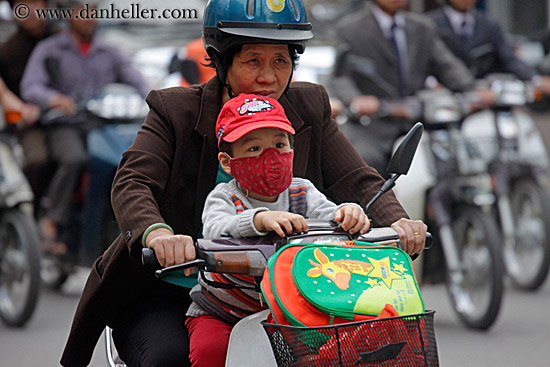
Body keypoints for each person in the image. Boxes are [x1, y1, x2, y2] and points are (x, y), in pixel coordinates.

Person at [60, 0, 427, 366]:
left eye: (281, 61)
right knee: (172, 360)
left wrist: (398, 221)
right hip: (176, 292)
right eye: (253, 61)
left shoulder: (309, 104)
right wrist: (158, 235)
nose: (268, 77)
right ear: (221, 60)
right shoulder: (175, 111)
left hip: (288, 288)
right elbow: (133, 181)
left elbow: (356, 178)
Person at [187, 93, 370, 366]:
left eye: (279, 144)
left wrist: (349, 213)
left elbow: (332, 218)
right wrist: (258, 219)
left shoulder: (302, 190)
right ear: (227, 162)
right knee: (211, 352)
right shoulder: (224, 196)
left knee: (331, 352)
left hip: (294, 308)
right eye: (254, 149)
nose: (271, 156)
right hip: (223, 309)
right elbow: (214, 229)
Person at [20, 0, 150, 255]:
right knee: (75, 158)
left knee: (129, 158)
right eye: (82, 12)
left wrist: (159, 99)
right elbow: (31, 86)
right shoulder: (51, 49)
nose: (89, 17)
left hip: (101, 125)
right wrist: (53, 99)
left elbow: (137, 80)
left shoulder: (109, 51)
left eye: (93, 12)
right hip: (65, 124)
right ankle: (53, 221)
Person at [330, 0, 492, 175]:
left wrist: (472, 89)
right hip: (372, 124)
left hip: (417, 121)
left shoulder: (422, 27)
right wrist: (357, 100)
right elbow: (341, 77)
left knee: (453, 160)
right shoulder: (350, 29)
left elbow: (446, 65)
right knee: (366, 164)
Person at [0, 0, 57, 215]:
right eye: (23, 6)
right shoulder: (7, 51)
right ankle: (30, 214)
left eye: (36, 4)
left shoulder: (61, 39)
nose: (31, 12)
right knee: (37, 159)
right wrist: (21, 109)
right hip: (29, 122)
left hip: (70, 118)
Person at [427, 0, 550, 93]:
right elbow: (422, 62)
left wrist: (535, 79)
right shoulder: (429, 24)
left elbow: (509, 58)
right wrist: (431, 84)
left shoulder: (489, 24)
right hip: (443, 96)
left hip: (484, 95)